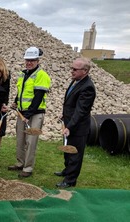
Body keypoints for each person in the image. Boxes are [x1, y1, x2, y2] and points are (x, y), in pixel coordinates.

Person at [8, 46, 51, 178]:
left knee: (31, 141)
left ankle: (28, 167)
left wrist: (29, 114)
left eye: (32, 60)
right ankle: (20, 162)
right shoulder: (23, 73)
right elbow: (21, 91)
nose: (29, 62)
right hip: (23, 112)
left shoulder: (41, 75)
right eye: (27, 60)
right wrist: (16, 101)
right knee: (20, 139)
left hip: (35, 113)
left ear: (38, 60)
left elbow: (38, 97)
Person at [55, 57, 96, 188]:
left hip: (78, 128)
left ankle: (70, 180)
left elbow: (81, 110)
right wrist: (64, 115)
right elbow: (71, 104)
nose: (71, 71)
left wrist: (70, 126)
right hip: (69, 122)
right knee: (67, 150)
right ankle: (67, 171)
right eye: (71, 68)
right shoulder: (76, 81)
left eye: (75, 69)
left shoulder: (88, 87)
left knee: (75, 154)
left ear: (85, 71)